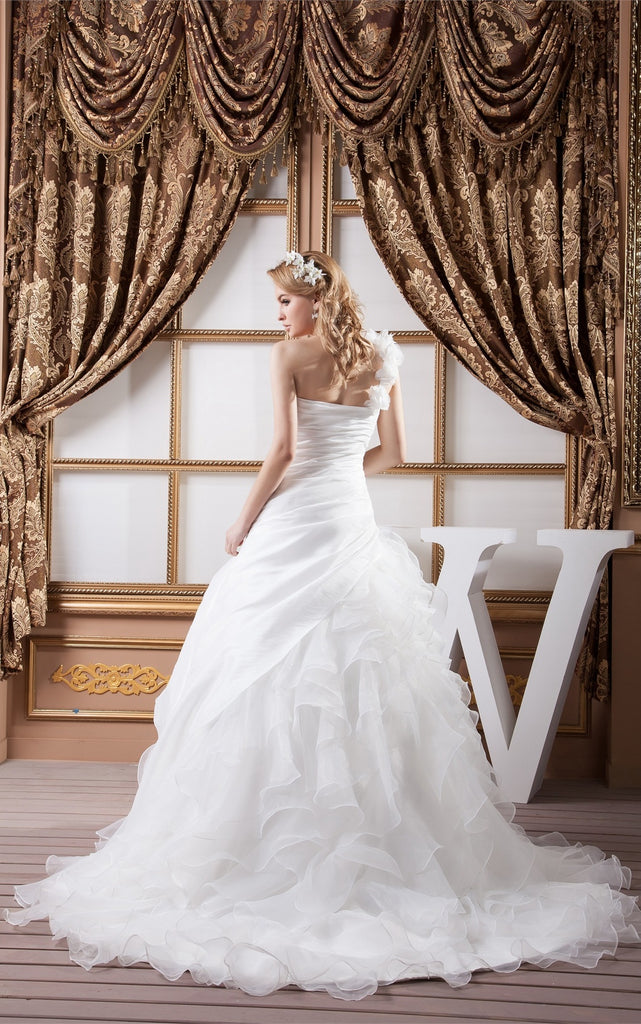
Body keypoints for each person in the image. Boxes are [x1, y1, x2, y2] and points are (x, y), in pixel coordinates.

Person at [5, 252, 640, 1001]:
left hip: (293, 520)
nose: (277, 314)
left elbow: (282, 450)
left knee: (264, 660)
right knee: (361, 665)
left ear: (311, 302)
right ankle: (388, 839)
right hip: (346, 521)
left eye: (283, 301)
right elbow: (395, 454)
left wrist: (244, 518)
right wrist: (338, 476)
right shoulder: (383, 355)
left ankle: (250, 842)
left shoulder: (288, 357)